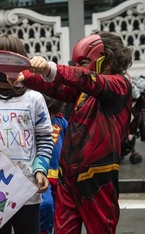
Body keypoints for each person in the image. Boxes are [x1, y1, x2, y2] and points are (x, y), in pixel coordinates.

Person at [11, 31, 133, 233]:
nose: (79, 67)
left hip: (97, 176)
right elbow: (59, 88)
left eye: (84, 62)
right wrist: (26, 77)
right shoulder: (85, 89)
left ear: (107, 61)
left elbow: (87, 79)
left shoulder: (119, 85)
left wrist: (51, 68)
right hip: (68, 175)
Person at [0, 34, 54, 234]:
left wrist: (40, 169)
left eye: (12, 60)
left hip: (27, 190)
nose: (5, 68)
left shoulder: (35, 99)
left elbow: (44, 137)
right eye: (0, 62)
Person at [39, 95, 68, 234]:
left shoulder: (61, 122)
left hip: (59, 175)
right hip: (41, 174)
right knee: (46, 205)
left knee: (60, 211)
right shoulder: (34, 123)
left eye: (51, 113)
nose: (48, 117)